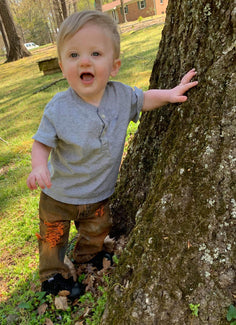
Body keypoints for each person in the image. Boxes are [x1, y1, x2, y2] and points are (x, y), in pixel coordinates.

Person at [26, 10, 198, 300]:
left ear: (114, 65)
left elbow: (145, 99)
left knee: (97, 230)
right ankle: (53, 276)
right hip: (58, 196)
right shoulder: (58, 108)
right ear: (61, 65)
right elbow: (41, 142)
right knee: (52, 239)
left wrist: (169, 94)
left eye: (95, 53)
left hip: (98, 195)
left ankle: (86, 256)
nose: (84, 61)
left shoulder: (121, 96)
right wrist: (38, 165)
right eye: (73, 55)